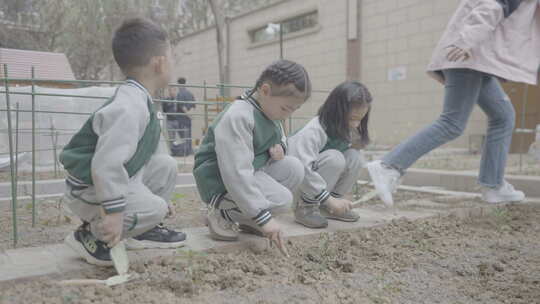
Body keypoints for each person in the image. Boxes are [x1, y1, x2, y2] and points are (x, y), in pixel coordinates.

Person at [366, 0, 540, 206]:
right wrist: (467, 40)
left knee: (503, 116)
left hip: (478, 59)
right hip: (469, 55)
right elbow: (492, 5)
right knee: (452, 123)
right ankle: (389, 166)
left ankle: (493, 186)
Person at [59, 18, 186, 266]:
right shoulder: (128, 107)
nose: (173, 63)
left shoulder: (141, 98)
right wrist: (115, 212)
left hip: (112, 180)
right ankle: (91, 235)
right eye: (171, 57)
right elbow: (106, 164)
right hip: (88, 188)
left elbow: (137, 158)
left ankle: (142, 230)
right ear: (159, 64)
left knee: (166, 165)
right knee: (155, 208)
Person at [193, 59, 311, 255]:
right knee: (283, 200)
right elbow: (236, 173)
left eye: (293, 110)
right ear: (265, 91)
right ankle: (224, 213)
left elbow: (280, 137)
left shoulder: (269, 111)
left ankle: (248, 218)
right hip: (219, 180)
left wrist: (281, 147)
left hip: (252, 169)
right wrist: (265, 219)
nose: (286, 116)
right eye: (285, 109)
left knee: (294, 168)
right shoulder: (239, 116)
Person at [288, 81, 371, 228]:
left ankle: (329, 207)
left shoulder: (349, 129)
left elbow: (352, 158)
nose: (356, 124)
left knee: (355, 157)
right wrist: (325, 197)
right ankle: (305, 208)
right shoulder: (314, 130)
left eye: (360, 119)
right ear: (336, 111)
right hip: (298, 185)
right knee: (335, 158)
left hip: (318, 190)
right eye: (352, 119)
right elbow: (304, 170)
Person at [163, 77, 196, 156]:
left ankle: (185, 152)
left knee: (184, 137)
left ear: (178, 85)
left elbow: (182, 106)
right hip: (183, 120)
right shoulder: (190, 94)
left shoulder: (179, 95)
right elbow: (193, 106)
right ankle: (186, 152)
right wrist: (191, 115)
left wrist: (188, 114)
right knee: (186, 137)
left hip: (181, 120)